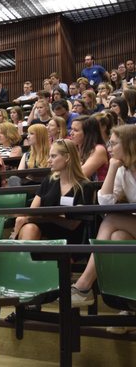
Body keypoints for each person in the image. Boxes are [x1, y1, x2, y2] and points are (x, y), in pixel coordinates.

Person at [71, 125, 136, 311]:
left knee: (111, 220)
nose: (109, 148)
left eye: (114, 144)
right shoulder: (123, 170)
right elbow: (105, 201)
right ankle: (129, 306)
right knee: (118, 238)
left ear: (130, 145)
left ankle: (84, 286)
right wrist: (113, 167)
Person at [14, 139, 94, 245]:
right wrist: (53, 217)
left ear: (67, 157)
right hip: (44, 228)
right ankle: (18, 258)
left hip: (68, 235)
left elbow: (73, 224)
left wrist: (48, 217)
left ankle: (17, 257)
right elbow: (33, 211)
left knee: (30, 229)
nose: (48, 160)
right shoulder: (49, 181)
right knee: (29, 227)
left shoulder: (85, 186)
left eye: (53, 156)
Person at [70, 115, 109, 181]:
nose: (71, 133)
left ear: (88, 133)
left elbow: (81, 174)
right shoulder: (75, 148)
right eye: (71, 129)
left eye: (76, 130)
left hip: (97, 189)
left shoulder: (99, 149)